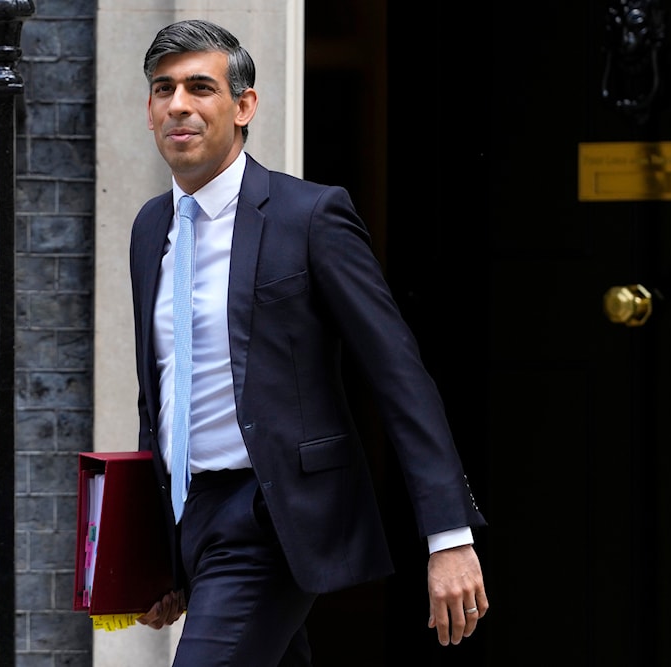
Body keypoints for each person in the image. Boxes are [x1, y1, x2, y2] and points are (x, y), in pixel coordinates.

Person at [129, 18, 488, 666]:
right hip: (194, 515)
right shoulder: (151, 226)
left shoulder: (310, 216)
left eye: (199, 87)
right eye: (163, 89)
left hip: (274, 517)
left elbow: (398, 373)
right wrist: (157, 549)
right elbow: (157, 393)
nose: (178, 105)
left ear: (243, 106)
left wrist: (449, 534)